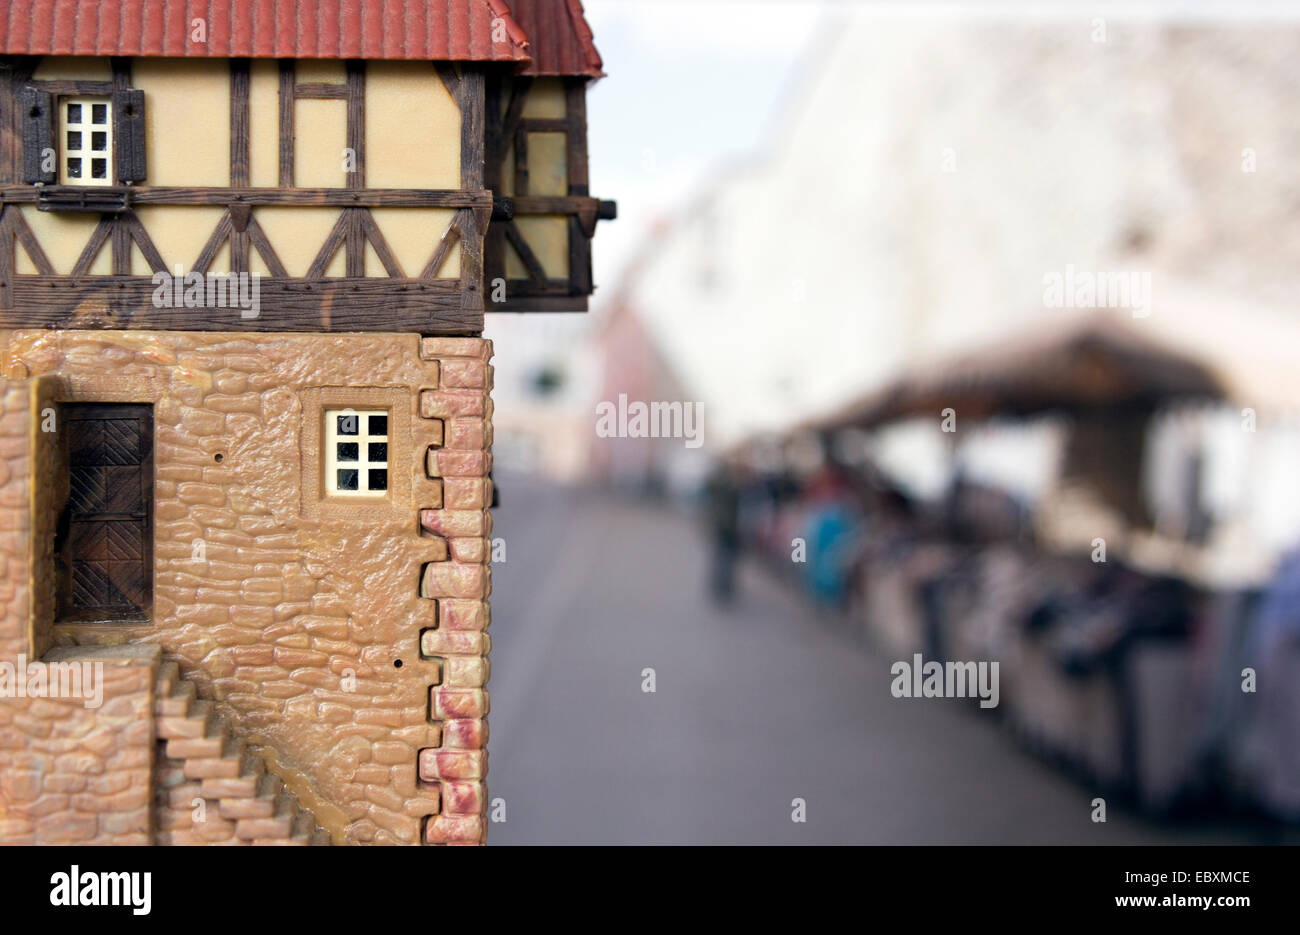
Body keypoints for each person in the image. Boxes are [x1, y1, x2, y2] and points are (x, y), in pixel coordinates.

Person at [703, 461, 742, 604]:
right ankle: (723, 586)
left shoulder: (717, 484)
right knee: (725, 558)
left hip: (721, 525)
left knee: (721, 557)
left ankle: (720, 585)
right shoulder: (729, 485)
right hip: (728, 526)